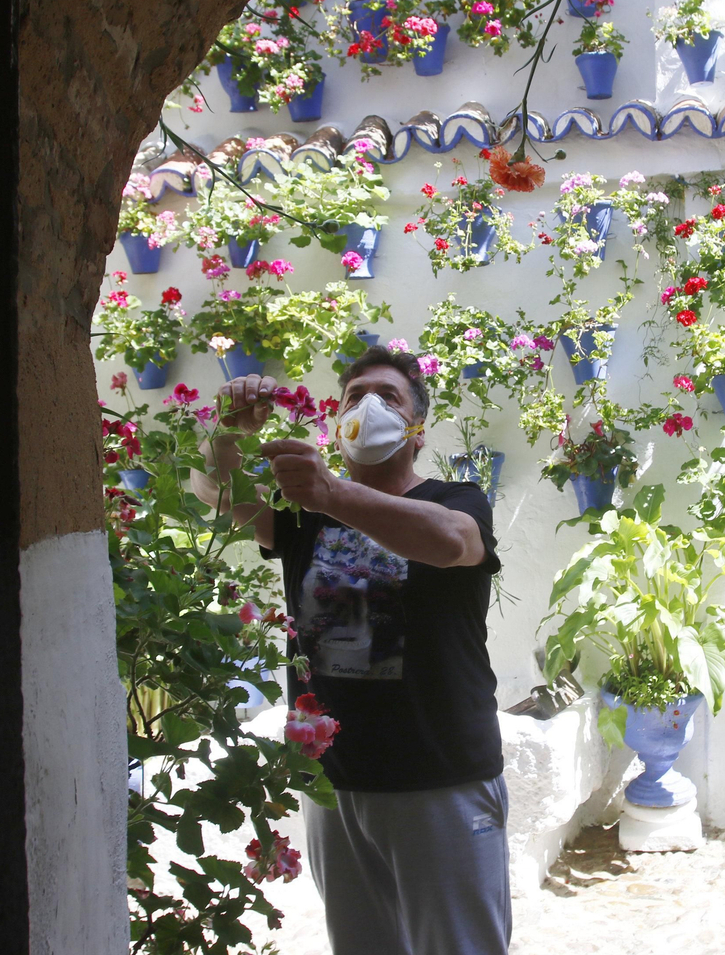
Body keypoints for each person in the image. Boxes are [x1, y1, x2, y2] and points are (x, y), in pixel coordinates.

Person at [194, 346, 509, 955]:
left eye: (388, 397)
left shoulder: (456, 500)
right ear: (335, 426)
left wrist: (330, 493)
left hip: (439, 781)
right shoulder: (303, 518)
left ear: (418, 432)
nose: (367, 406)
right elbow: (216, 490)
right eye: (352, 395)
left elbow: (450, 544)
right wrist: (228, 428)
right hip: (334, 786)